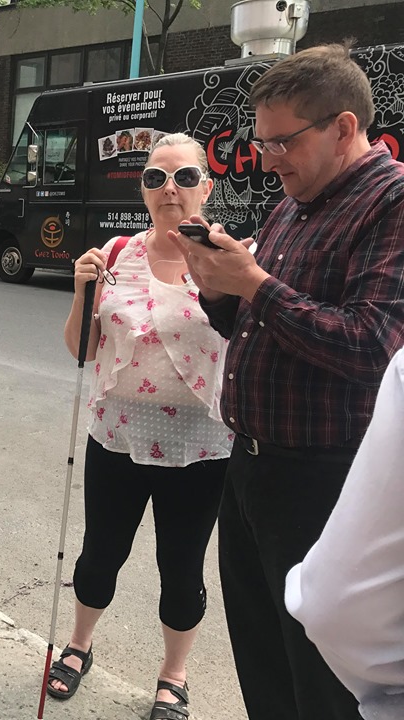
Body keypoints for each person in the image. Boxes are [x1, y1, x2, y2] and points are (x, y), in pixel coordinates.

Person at [172, 43, 404, 720]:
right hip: (250, 469)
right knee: (263, 655)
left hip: (323, 479)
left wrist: (256, 284)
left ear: (343, 128)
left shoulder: (390, 204)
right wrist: (217, 286)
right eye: (263, 142)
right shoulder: (294, 204)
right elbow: (255, 324)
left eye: (284, 143)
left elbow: (372, 347)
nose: (268, 160)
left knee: (319, 675)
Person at [51, 133, 232, 719]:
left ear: (207, 186)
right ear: (144, 190)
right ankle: (79, 645)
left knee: (181, 566)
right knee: (100, 552)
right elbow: (82, 348)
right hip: (118, 436)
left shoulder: (231, 259)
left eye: (183, 178)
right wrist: (83, 288)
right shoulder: (119, 252)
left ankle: (174, 675)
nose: (169, 190)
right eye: (155, 178)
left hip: (200, 447)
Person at [284, 347, 404, 720]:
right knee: (265, 658)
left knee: (308, 684)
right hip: (255, 458)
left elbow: (334, 608)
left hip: (319, 466)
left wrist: (258, 292)